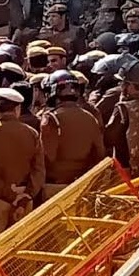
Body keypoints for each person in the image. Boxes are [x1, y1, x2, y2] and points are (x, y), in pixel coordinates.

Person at [0, 88, 45, 243]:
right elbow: (39, 170)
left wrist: (10, 195)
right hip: (24, 195)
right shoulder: (32, 133)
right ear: (17, 109)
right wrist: (25, 197)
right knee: (22, 246)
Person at [39, 71, 105, 199]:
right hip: (81, 186)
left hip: (55, 187)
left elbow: (47, 156)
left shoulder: (50, 119)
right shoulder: (90, 118)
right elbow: (99, 154)